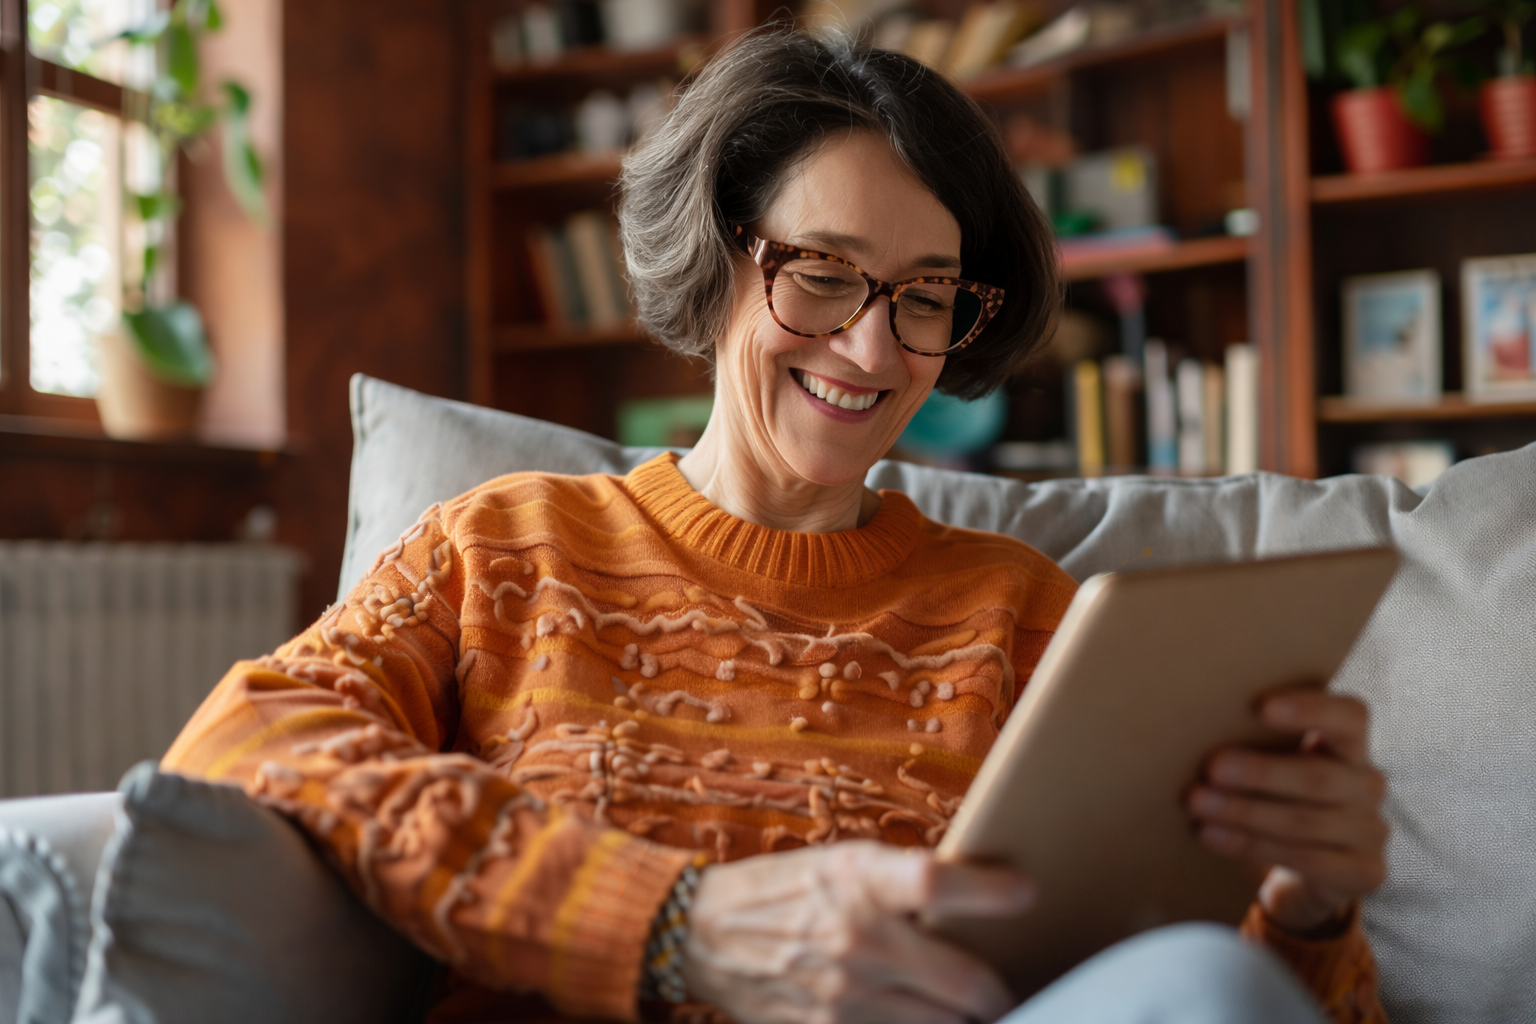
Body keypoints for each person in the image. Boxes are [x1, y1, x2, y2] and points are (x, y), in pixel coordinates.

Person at [164, 29, 1389, 1024]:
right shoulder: (505, 546)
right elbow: (244, 738)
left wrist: (1312, 910)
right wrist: (673, 926)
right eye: (821, 272)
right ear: (716, 260)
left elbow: (1188, 987)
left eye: (925, 296)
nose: (871, 347)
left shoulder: (1025, 616)